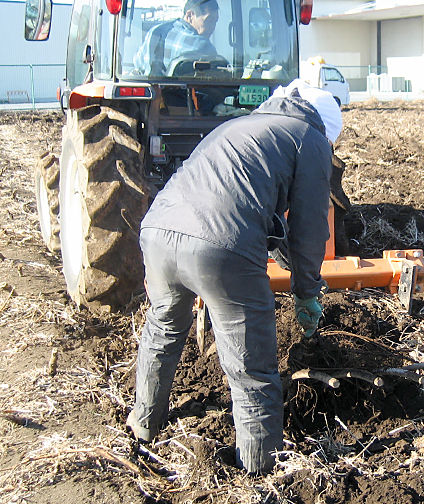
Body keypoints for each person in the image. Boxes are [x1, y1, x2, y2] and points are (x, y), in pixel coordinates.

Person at [126, 79, 343, 474]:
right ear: (326, 129)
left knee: (162, 331)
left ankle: (142, 425)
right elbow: (310, 227)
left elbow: (253, 207)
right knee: (252, 369)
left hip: (157, 231)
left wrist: (287, 261)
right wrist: (306, 290)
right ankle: (259, 473)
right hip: (219, 247)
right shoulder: (310, 138)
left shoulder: (242, 126)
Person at [133, 0, 221, 76]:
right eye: (209, 20)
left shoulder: (155, 31)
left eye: (215, 21)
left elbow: (138, 63)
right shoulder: (203, 45)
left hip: (154, 90)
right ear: (190, 15)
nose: (213, 26)